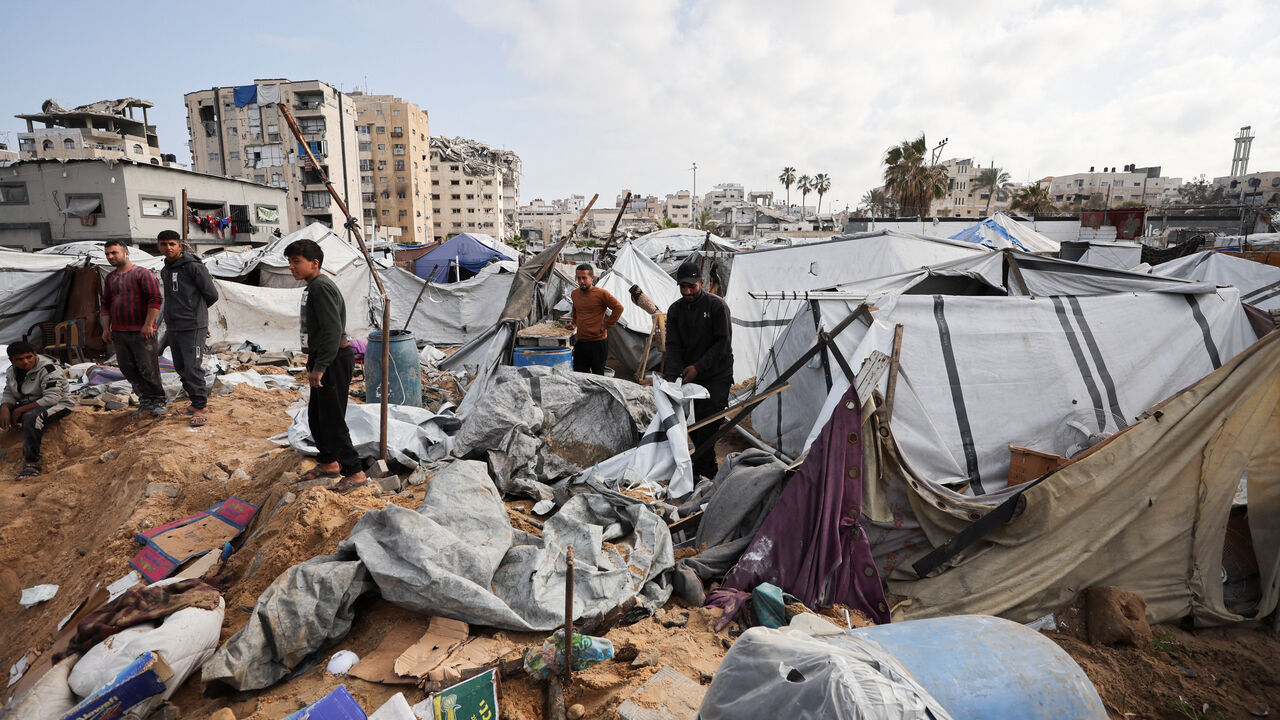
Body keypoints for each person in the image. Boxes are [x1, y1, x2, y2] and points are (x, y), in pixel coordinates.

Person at [285, 238, 367, 493]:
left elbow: (332, 331)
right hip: (324, 358)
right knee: (317, 417)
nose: (291, 267)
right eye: (289, 262)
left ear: (314, 262)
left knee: (332, 419)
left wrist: (320, 367)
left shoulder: (321, 287)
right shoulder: (313, 286)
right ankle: (329, 462)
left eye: (296, 261)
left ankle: (355, 472)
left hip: (333, 360)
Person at [663, 260, 734, 481]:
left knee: (708, 426)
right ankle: (703, 470)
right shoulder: (675, 310)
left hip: (716, 375)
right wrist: (670, 379)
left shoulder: (716, 307)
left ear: (701, 282)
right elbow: (673, 346)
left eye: (691, 286)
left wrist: (698, 367)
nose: (687, 291)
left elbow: (722, 344)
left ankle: (708, 471)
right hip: (689, 376)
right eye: (683, 287)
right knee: (692, 425)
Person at [157, 230, 219, 427]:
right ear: (159, 246)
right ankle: (194, 402)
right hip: (174, 326)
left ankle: (201, 406)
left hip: (192, 325)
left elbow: (211, 294)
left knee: (193, 366)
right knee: (181, 366)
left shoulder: (193, 266)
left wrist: (197, 315)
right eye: (164, 244)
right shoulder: (165, 269)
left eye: (172, 244)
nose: (168, 248)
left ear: (180, 245)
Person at [101, 239, 166, 416]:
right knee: (127, 368)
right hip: (120, 333)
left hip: (142, 331)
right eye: (107, 254)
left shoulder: (142, 274)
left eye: (114, 252)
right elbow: (105, 304)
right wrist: (106, 328)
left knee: (148, 367)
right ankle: (145, 400)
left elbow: (155, 300)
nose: (110, 256)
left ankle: (158, 400)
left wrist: (148, 324)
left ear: (126, 253)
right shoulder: (111, 277)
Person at [1, 342, 73, 479]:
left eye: (29, 357)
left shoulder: (49, 368)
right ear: (11, 360)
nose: (26, 362)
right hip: (29, 402)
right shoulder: (12, 370)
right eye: (19, 359)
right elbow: (9, 391)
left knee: (32, 417)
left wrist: (18, 411)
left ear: (35, 355)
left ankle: (32, 462)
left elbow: (52, 398)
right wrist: (5, 407)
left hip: (59, 403)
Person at [566, 263, 623, 374]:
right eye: (578, 278)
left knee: (598, 375)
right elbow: (576, 309)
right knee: (580, 374)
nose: (581, 281)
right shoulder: (575, 294)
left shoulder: (601, 294)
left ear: (592, 278)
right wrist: (574, 323)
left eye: (584, 278)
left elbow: (618, 308)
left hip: (598, 343)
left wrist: (606, 325)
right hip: (581, 341)